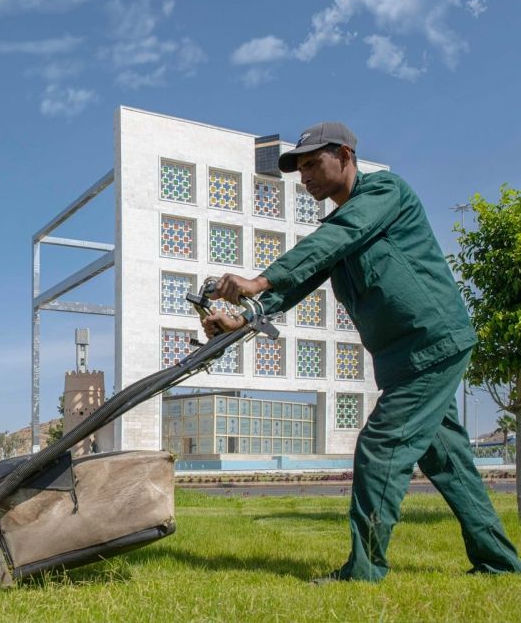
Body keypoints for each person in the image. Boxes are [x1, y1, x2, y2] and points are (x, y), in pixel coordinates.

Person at [202, 121, 521, 582]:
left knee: (380, 447)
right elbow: (302, 279)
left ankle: (364, 569)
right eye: (301, 169)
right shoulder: (340, 225)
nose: (305, 176)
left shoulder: (383, 194)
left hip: (432, 343)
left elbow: (333, 241)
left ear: (346, 157)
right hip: (401, 359)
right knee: (447, 460)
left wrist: (259, 279)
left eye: (313, 163)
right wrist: (243, 317)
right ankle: (499, 563)